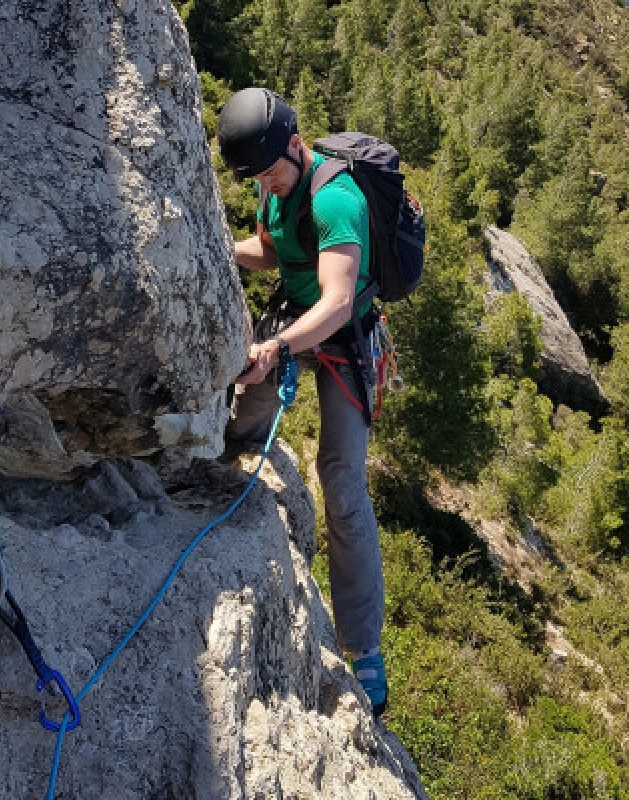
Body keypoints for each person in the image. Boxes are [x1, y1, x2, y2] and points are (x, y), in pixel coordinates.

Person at [217, 87, 388, 717]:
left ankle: (364, 651)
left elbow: (338, 302)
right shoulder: (274, 178)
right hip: (293, 316)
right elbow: (272, 249)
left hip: (342, 338)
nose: (266, 183)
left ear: (296, 143)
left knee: (341, 482)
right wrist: (220, 246)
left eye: (271, 171)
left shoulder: (336, 199)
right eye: (257, 176)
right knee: (242, 424)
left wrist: (278, 348)